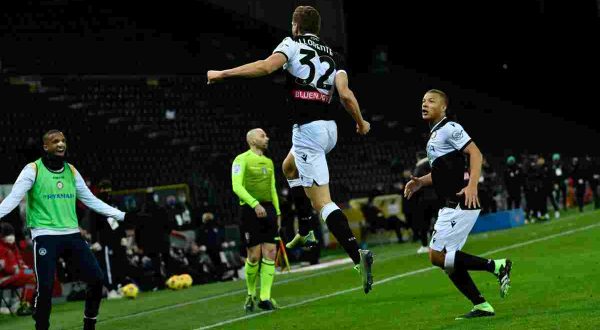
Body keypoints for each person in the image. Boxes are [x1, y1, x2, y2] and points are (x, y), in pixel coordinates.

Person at [208, 5, 374, 294]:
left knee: (323, 202)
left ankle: (357, 256)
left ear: (296, 25)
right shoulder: (334, 54)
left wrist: (223, 73)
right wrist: (361, 122)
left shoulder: (292, 43)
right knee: (288, 167)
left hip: (308, 131)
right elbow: (345, 94)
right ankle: (306, 229)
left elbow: (265, 66)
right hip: (330, 129)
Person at [0, 130, 134, 330]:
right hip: (45, 236)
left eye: (63, 141)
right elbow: (12, 199)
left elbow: (90, 200)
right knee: (45, 289)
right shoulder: (32, 170)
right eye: (55, 141)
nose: (61, 144)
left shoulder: (71, 170)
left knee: (97, 280)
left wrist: (121, 215)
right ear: (46, 146)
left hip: (72, 235)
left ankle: (89, 323)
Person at [404, 90, 512, 319]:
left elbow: (476, 153)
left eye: (431, 101)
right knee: (449, 261)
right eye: (423, 101)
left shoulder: (449, 128)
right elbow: (442, 172)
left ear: (443, 107)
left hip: (460, 201)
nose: (425, 104)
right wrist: (421, 182)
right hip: (451, 202)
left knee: (436, 256)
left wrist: (472, 185)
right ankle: (481, 305)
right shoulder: (434, 135)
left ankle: (497, 266)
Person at [231, 128, 281, 311]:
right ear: (251, 140)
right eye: (262, 135)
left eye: (266, 135)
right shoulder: (241, 159)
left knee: (270, 252)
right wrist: (254, 204)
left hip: (267, 209)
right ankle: (250, 294)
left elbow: (273, 188)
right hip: (249, 210)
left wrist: (277, 212)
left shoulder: (268, 162)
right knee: (254, 256)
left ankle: (265, 297)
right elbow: (236, 186)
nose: (266, 138)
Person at [0, 222, 35, 316]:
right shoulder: (1, 248)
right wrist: (13, 269)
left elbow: (20, 262)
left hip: (17, 273)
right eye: (7, 235)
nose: (10, 237)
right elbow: (3, 267)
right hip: (4, 278)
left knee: (35, 273)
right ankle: (23, 305)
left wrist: (25, 268)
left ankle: (24, 304)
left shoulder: (13, 246)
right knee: (30, 276)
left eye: (11, 234)